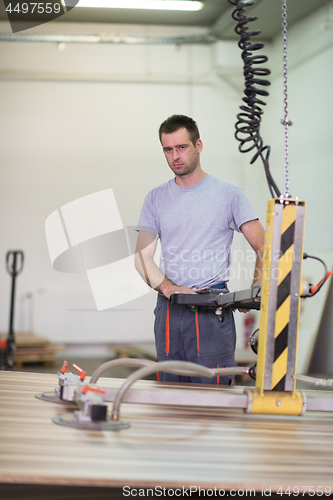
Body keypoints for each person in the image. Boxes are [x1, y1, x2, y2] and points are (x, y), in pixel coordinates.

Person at [135, 115, 265, 385]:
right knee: (168, 391)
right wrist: (169, 289)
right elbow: (142, 258)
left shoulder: (229, 194)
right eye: (168, 150)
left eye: (182, 147)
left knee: (213, 392)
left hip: (210, 309)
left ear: (199, 145)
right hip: (170, 309)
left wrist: (255, 290)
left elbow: (264, 246)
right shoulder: (155, 198)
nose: (175, 156)